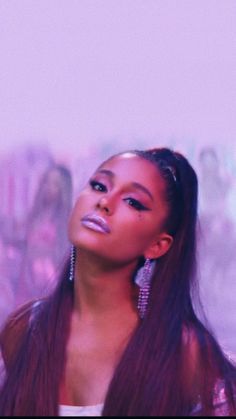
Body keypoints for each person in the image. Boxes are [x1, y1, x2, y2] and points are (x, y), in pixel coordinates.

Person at [0, 147, 236, 416]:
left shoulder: (185, 352)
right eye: (99, 186)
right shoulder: (25, 330)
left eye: (133, 202)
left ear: (158, 245)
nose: (105, 202)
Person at [15, 163, 73, 306]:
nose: (48, 187)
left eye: (54, 184)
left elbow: (64, 253)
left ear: (63, 189)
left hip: (47, 276)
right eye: (46, 181)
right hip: (26, 275)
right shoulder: (36, 214)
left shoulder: (64, 220)